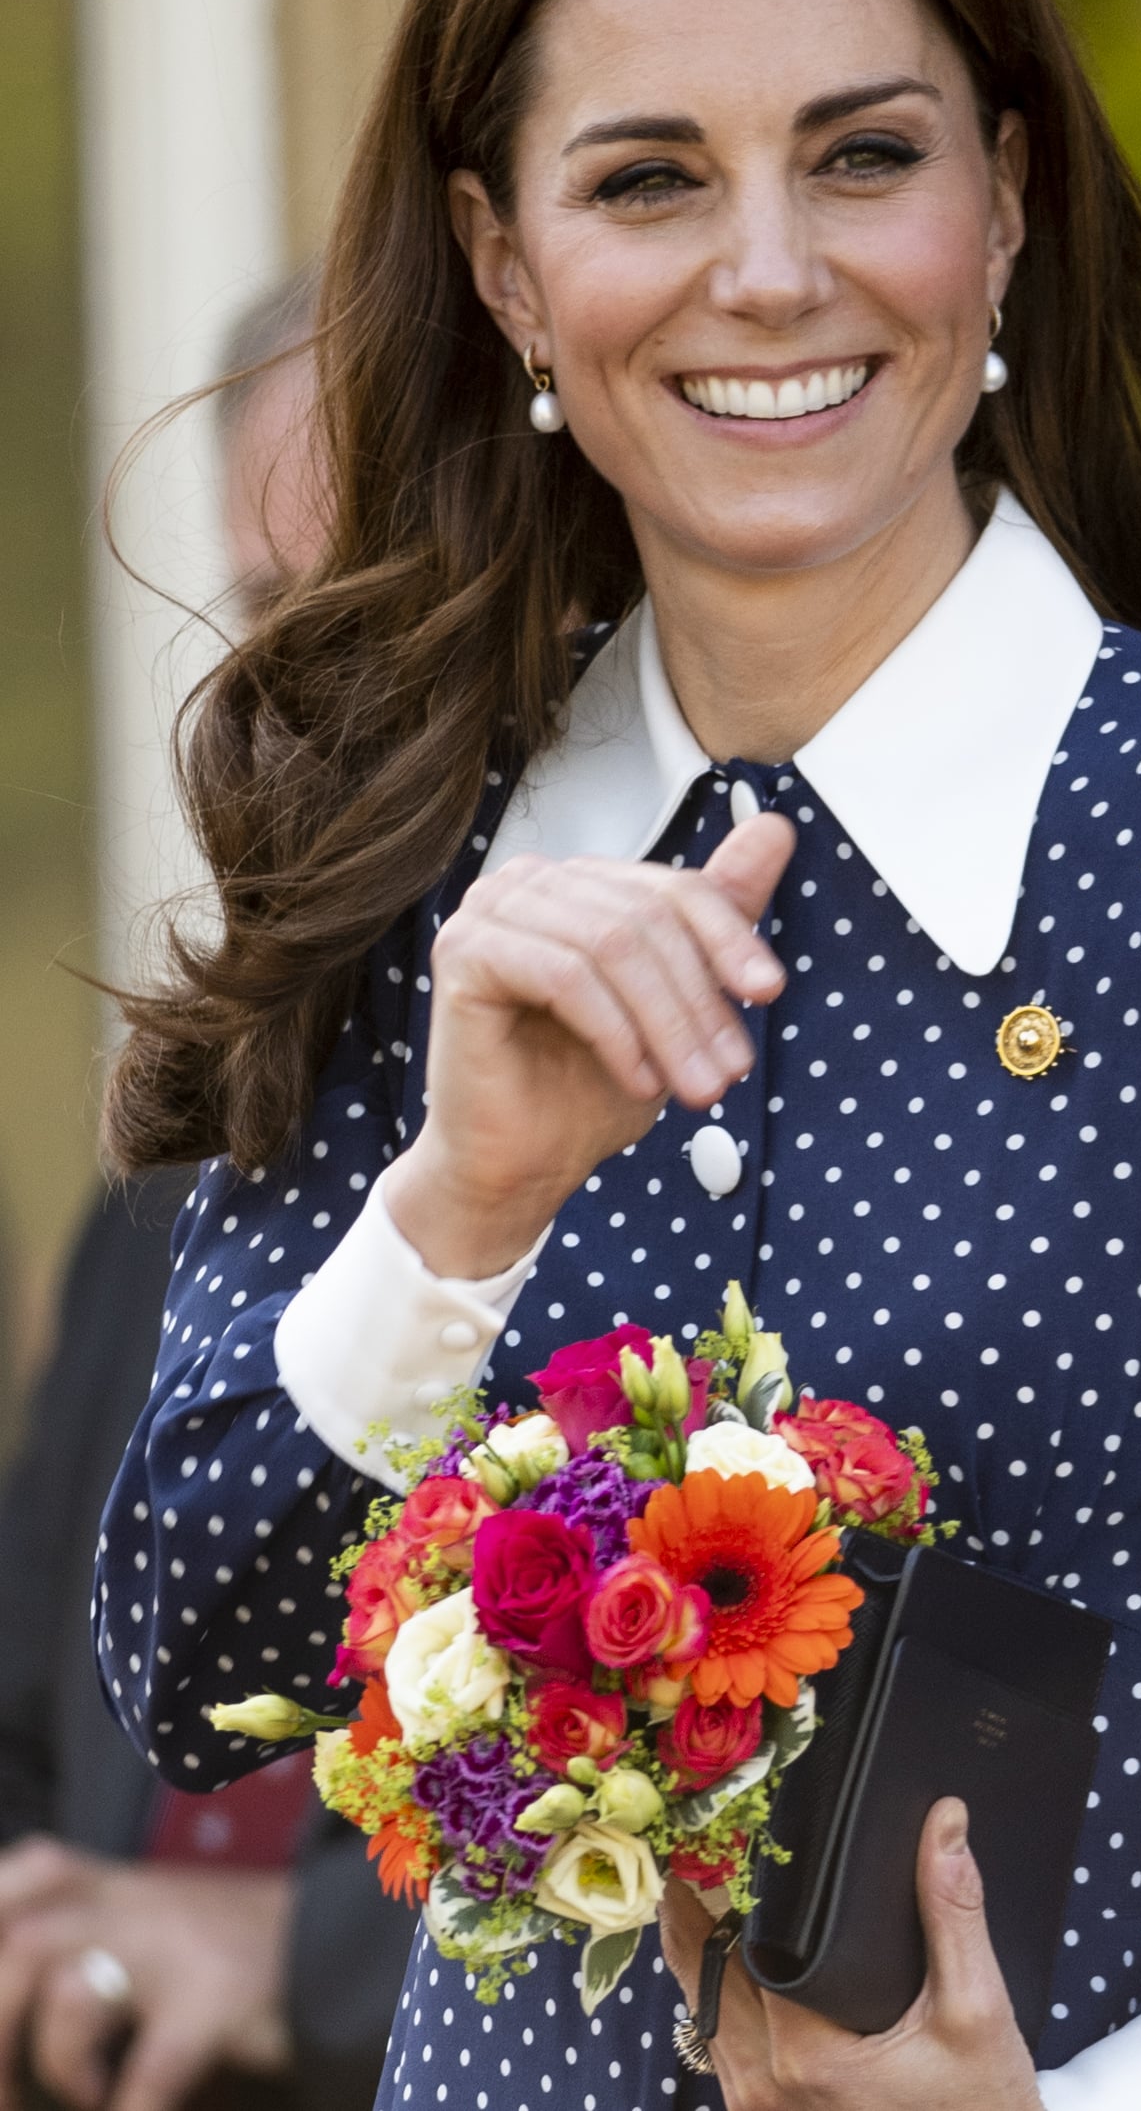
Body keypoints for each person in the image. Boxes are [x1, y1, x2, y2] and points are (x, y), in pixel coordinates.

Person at [91, 0, 1141, 2111]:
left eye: (866, 155)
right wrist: (460, 1208)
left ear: (1004, 205)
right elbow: (186, 1658)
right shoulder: (417, 853)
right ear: (508, 266)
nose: (767, 269)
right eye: (647, 178)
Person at [0, 277, 412, 2111]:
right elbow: (24, 1723)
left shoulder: (767, 1159)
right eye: (272, 618)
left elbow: (840, 1805)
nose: (313, 699)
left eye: (386, 613)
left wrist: (293, 1966)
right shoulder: (184, 1178)